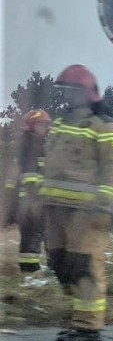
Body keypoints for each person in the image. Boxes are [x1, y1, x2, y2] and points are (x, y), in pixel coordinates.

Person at [40, 65, 113, 341]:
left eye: (72, 90)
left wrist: (103, 206)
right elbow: (50, 162)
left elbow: (112, 171)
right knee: (59, 262)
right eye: (64, 90)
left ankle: (88, 328)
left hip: (88, 212)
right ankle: (79, 316)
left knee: (84, 266)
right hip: (55, 207)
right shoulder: (61, 123)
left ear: (88, 91)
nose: (67, 95)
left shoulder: (106, 126)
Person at [14, 110, 52, 272]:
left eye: (45, 124)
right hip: (31, 199)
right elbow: (29, 175)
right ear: (31, 126)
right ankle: (29, 268)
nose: (44, 127)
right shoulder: (30, 145)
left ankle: (31, 267)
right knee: (32, 233)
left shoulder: (40, 144)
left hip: (37, 198)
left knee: (36, 233)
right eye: (40, 124)